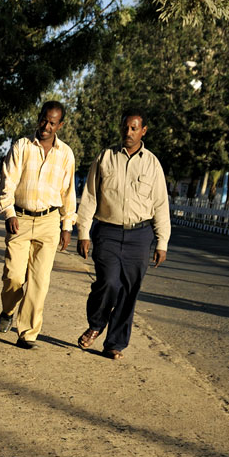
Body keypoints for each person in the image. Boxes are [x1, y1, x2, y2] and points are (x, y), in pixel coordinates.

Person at [75, 109, 170, 359]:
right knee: (108, 282)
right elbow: (90, 197)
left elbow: (160, 205)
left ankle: (115, 343)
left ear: (143, 131)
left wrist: (162, 242)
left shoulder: (152, 164)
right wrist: (83, 232)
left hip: (140, 236)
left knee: (129, 291)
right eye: (125, 127)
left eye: (134, 128)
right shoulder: (105, 157)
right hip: (107, 231)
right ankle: (96, 324)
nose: (128, 132)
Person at [0, 101, 77, 349]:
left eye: (52, 123)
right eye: (44, 120)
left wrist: (67, 226)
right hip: (19, 220)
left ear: (60, 125)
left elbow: (68, 192)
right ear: (39, 117)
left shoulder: (65, 154)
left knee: (39, 281)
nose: (46, 126)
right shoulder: (21, 146)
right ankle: (8, 310)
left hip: (49, 222)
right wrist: (9, 213)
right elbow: (7, 183)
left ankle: (27, 333)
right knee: (14, 277)